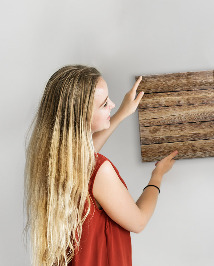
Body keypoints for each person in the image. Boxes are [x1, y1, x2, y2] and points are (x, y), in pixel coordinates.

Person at [24, 65, 178, 266]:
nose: (113, 104)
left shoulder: (53, 160)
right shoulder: (99, 170)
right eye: (105, 104)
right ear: (82, 117)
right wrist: (157, 176)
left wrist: (122, 113)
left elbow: (86, 157)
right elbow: (138, 221)